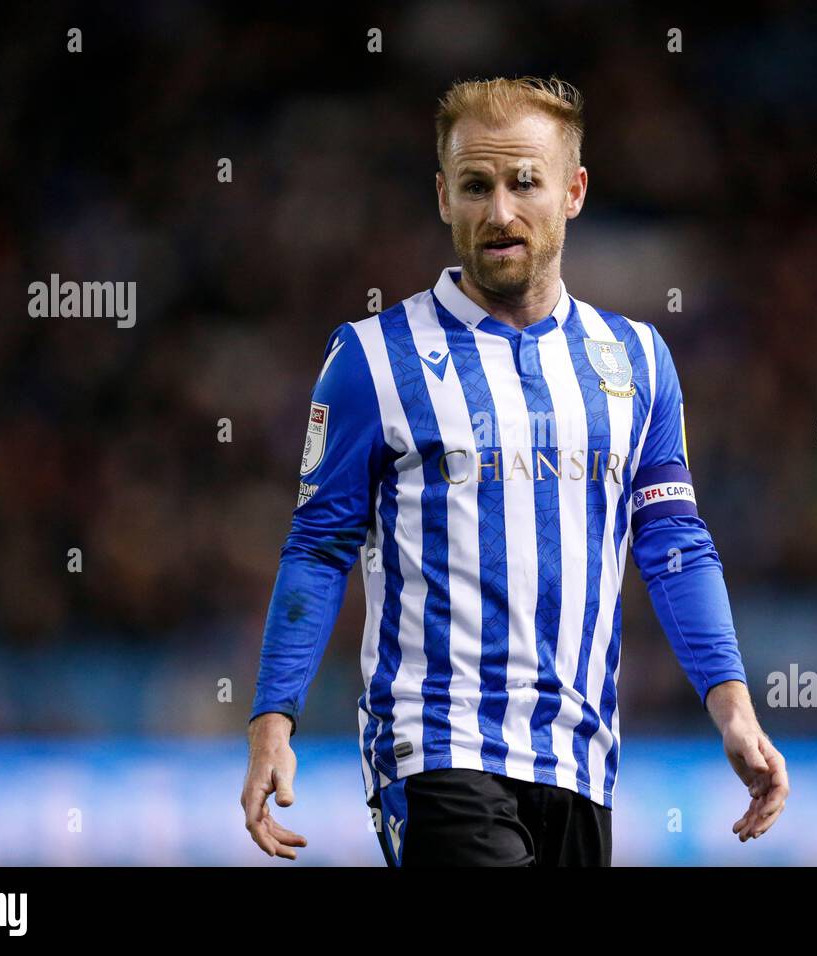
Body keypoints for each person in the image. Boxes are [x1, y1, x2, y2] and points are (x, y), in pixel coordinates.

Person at [241, 75, 788, 866]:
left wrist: (733, 708)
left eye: (524, 182)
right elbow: (319, 547)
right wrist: (272, 721)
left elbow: (672, 541)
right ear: (442, 197)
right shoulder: (371, 360)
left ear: (573, 191)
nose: (499, 212)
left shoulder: (635, 360)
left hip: (579, 756)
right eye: (476, 185)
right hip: (436, 745)